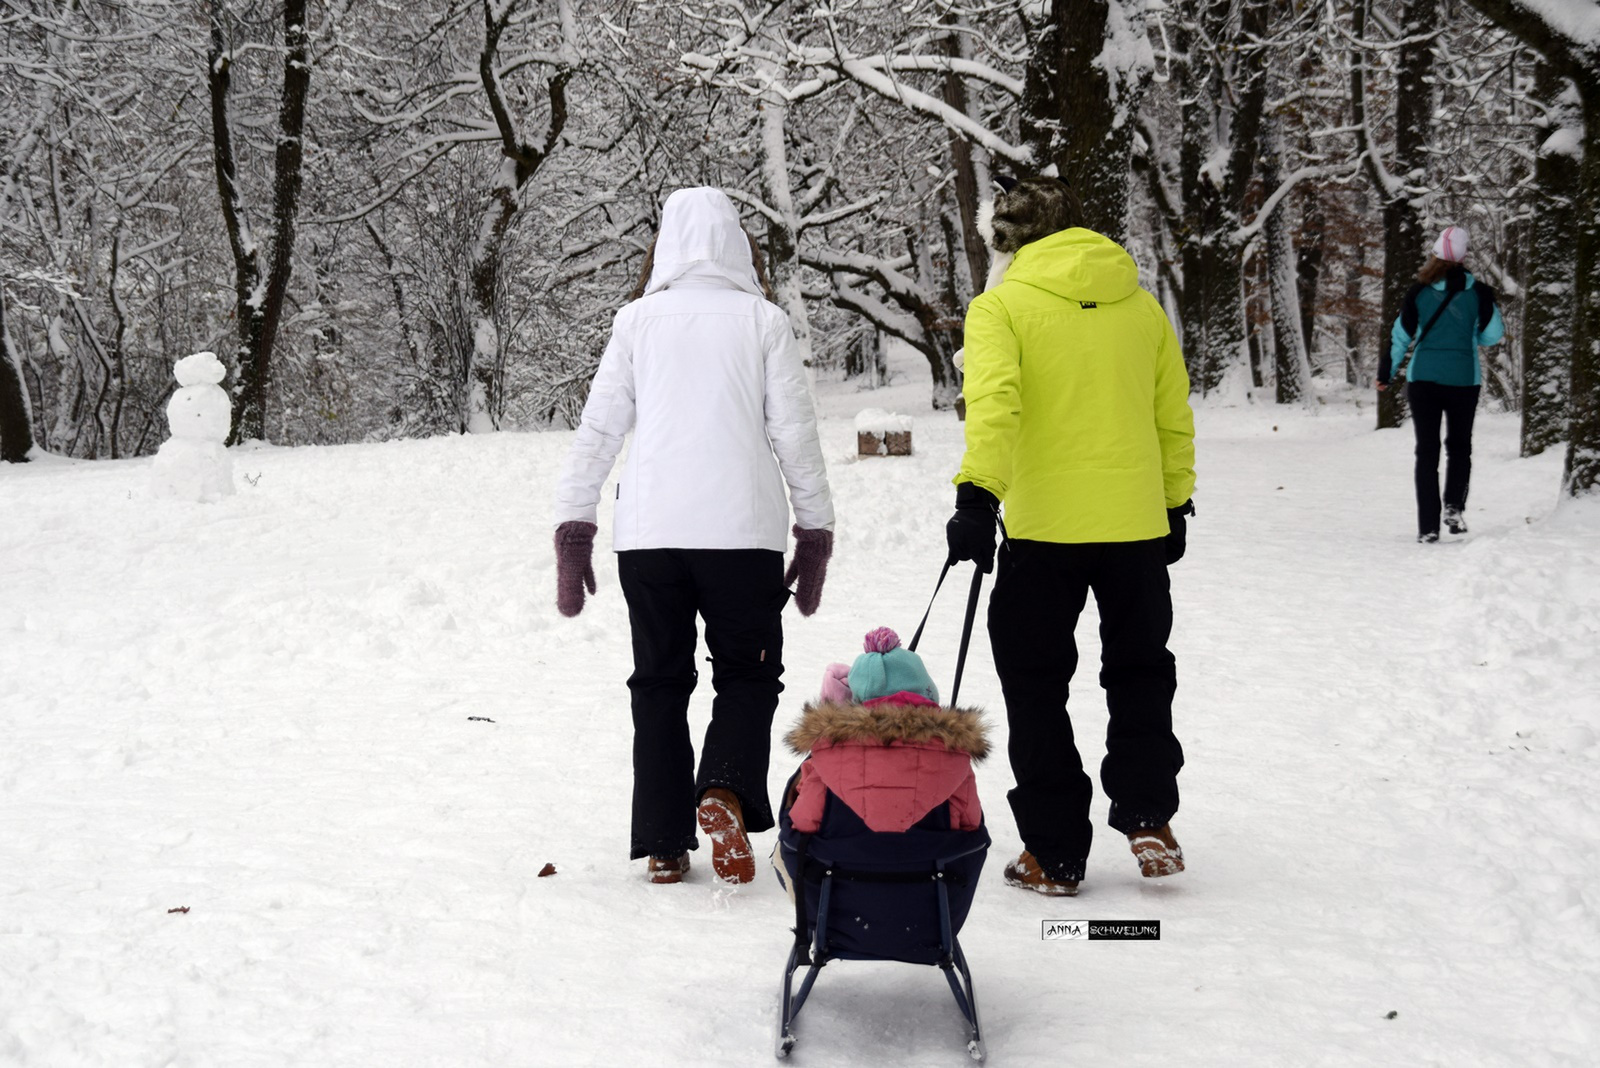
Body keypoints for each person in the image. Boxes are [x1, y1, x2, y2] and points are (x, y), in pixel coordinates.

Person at [551, 187, 835, 885]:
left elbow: (598, 431)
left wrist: (575, 526)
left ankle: (663, 844)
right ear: (738, 244)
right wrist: (815, 531)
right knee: (747, 673)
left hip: (651, 539)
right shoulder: (763, 322)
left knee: (659, 683)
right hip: (743, 537)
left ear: (668, 246)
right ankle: (725, 789)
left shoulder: (637, 322)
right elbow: (794, 435)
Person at [945, 176, 1196, 897]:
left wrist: (975, 496)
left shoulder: (1000, 308)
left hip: (1044, 530)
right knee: (1141, 672)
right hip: (1135, 525)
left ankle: (1055, 853)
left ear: (1013, 241)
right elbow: (1170, 414)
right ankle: (1149, 813)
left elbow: (995, 408)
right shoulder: (1142, 309)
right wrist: (1175, 500)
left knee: (1035, 687)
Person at [1377, 226, 1505, 543]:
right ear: (1463, 258)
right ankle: (1454, 507)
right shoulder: (1479, 293)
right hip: (1464, 379)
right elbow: (1493, 337)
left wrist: (1385, 373)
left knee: (1427, 452)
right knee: (1459, 447)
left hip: (1424, 380)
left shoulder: (1418, 292)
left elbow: (1400, 337)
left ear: (1434, 254)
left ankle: (1428, 528)